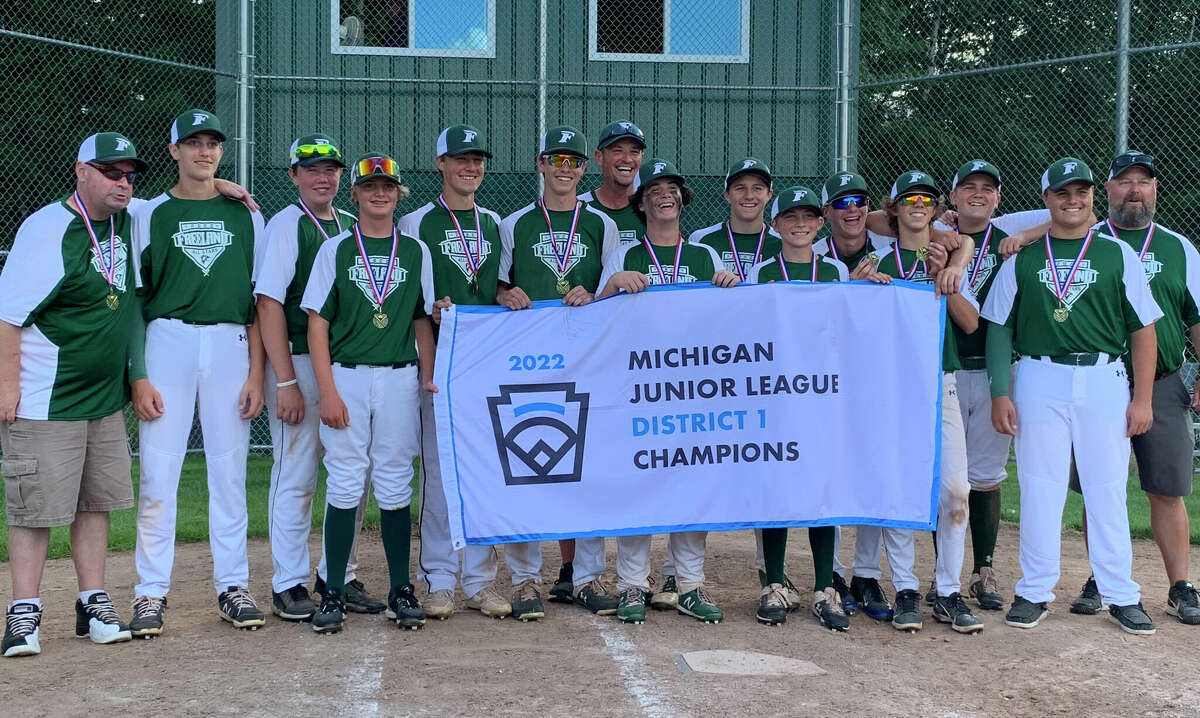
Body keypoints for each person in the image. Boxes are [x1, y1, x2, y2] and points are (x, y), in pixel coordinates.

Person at [984, 157, 1161, 635]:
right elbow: (998, 329)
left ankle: (1121, 593)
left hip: (1104, 378)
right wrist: (1002, 392)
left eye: (1080, 191)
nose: (1072, 200)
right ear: (1046, 200)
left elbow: (1143, 330)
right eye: (1062, 193)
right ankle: (1034, 590)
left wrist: (1141, 399)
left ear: (1091, 196)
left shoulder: (1115, 253)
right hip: (1040, 374)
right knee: (1041, 485)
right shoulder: (1023, 257)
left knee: (1106, 489)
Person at [0, 132, 147, 657]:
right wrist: (7, 386)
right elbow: (7, 316)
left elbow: (186, 192)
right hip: (46, 397)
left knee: (95, 503)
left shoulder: (129, 217)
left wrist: (220, 180)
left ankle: (92, 604)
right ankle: (24, 615)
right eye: (111, 172)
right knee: (35, 509)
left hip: (103, 400)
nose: (123, 183)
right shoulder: (47, 229)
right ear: (81, 171)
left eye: (130, 175)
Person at [128, 110, 266, 636]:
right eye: (193, 143)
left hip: (229, 342)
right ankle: (149, 594)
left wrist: (257, 373)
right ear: (173, 152)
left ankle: (232, 585)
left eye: (212, 144)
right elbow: (135, 302)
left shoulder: (245, 214)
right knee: (159, 473)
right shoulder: (148, 213)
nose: (204, 152)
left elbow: (257, 301)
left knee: (228, 472)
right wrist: (138, 373)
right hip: (168, 339)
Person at [595, 158, 739, 624]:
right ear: (640, 202)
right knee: (639, 483)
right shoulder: (626, 255)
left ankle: (690, 585)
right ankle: (633, 585)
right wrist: (612, 286)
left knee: (690, 485)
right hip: (638, 386)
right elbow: (597, 322)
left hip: (693, 391)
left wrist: (729, 288)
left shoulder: (703, 257)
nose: (666, 195)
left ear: (682, 199)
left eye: (673, 188)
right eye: (655, 189)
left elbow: (728, 325)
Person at [255, 134, 387, 621]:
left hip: (344, 365)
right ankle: (287, 582)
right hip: (298, 359)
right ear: (293, 176)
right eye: (311, 169)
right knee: (298, 472)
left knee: (355, 473)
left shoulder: (353, 226)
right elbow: (268, 302)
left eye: (331, 169)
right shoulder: (289, 223)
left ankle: (339, 573)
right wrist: (285, 380)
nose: (322, 177)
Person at [301, 154, 435, 633]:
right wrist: (328, 391)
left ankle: (402, 587)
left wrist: (428, 373)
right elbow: (318, 322)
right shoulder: (336, 249)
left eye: (388, 186)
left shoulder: (415, 251)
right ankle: (332, 589)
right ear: (354, 194)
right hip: (348, 376)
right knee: (345, 481)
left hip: (399, 376)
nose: (380, 193)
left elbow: (421, 317)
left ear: (400, 193)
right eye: (370, 187)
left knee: (397, 481)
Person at [497, 125, 619, 620]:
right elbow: (499, 285)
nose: (565, 169)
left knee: (583, 467)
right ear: (541, 165)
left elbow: (613, 286)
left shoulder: (600, 225)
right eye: (556, 160)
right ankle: (525, 579)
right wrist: (506, 294)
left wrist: (595, 294)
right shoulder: (516, 223)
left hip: (585, 356)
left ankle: (587, 577)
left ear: (583, 169)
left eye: (573, 161)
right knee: (526, 461)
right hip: (528, 357)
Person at [398, 124, 513, 620]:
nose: (471, 168)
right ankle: (440, 579)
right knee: (440, 474)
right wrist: (432, 309)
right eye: (461, 159)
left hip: (486, 362)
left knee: (486, 470)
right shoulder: (416, 222)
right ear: (440, 164)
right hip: (439, 358)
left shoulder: (495, 222)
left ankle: (481, 581)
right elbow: (404, 296)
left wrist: (507, 294)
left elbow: (502, 286)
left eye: (478, 160)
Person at [861, 170, 982, 634]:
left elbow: (970, 323)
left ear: (935, 208)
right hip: (890, 386)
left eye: (926, 198)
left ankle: (948, 591)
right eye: (908, 197)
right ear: (892, 209)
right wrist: (864, 290)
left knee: (955, 490)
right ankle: (906, 587)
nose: (918, 204)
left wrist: (946, 277)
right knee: (897, 487)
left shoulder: (949, 254)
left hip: (939, 383)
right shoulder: (876, 258)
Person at [745, 186, 850, 630]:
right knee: (780, 485)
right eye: (791, 217)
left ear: (820, 223)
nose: (800, 224)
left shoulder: (836, 271)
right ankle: (774, 582)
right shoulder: (761, 272)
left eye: (808, 216)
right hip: (777, 392)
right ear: (776, 224)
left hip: (824, 392)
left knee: (822, 487)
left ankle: (825, 586)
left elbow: (849, 331)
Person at [940, 160, 1013, 611]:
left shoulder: (1013, 236)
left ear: (999, 198)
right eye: (968, 187)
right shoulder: (933, 232)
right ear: (953, 197)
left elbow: (1076, 216)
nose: (978, 194)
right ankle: (941, 571)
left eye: (987, 188)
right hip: (947, 367)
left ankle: (983, 568)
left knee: (985, 476)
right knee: (948, 478)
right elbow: (878, 216)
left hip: (994, 368)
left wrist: (1025, 234)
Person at [687, 158, 781, 282]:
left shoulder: (782, 243)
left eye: (757, 188)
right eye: (740, 188)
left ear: (769, 194)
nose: (749, 196)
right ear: (727, 195)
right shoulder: (701, 239)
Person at [578, 120, 647, 246]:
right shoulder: (577, 208)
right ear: (599, 157)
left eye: (634, 152)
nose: (627, 159)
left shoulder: (651, 210)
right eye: (617, 151)